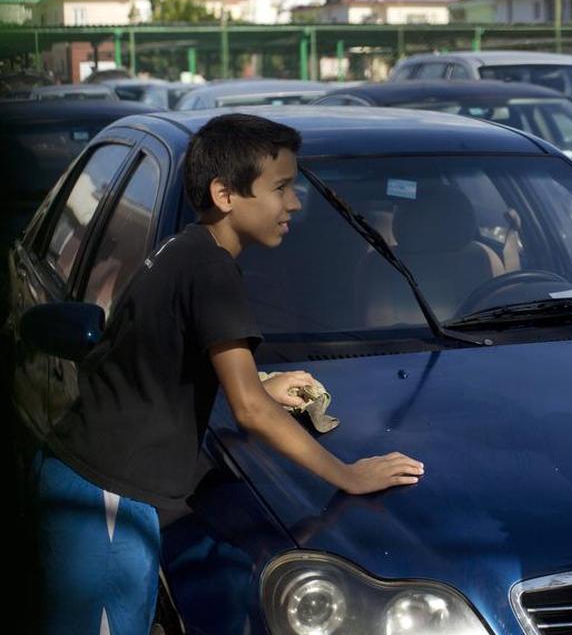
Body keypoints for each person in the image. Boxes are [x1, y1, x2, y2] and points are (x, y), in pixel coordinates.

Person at [33, 113, 425, 635]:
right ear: (225, 194)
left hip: (93, 485)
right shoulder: (212, 271)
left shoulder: (188, 251)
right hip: (106, 497)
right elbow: (249, 412)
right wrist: (348, 474)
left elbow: (166, 357)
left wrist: (262, 381)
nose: (294, 203)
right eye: (281, 188)